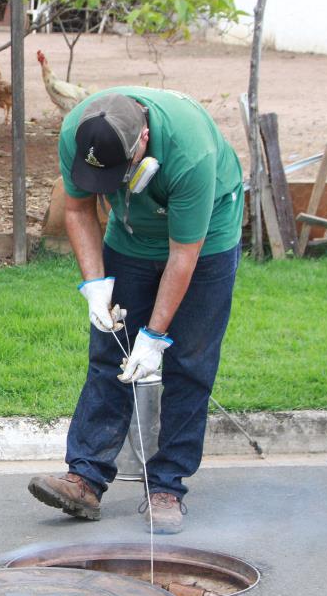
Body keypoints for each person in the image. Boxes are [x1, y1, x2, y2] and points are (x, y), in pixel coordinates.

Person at [28, 89, 244, 534]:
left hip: (204, 244)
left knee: (189, 362)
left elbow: (183, 257)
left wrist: (154, 337)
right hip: (129, 240)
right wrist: (95, 286)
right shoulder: (76, 131)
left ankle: (166, 485)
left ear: (143, 138)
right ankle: (85, 478)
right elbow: (77, 208)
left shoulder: (191, 152)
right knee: (110, 353)